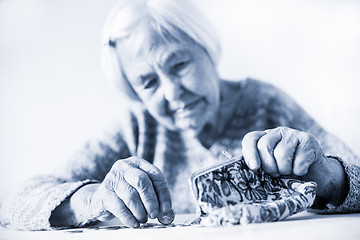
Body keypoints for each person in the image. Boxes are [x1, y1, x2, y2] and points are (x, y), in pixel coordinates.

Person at [0, 0, 359, 231]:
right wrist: (94, 199)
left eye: (180, 64)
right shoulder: (137, 127)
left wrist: (327, 175)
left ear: (207, 49)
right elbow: (17, 203)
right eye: (148, 81)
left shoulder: (266, 103)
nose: (173, 93)